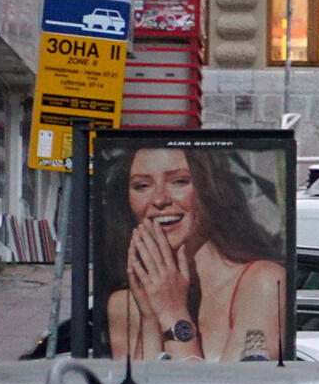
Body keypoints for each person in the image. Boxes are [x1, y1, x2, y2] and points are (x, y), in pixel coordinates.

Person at [103, 145, 286, 361]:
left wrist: (173, 315)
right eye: (142, 186)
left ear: (211, 188)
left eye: (179, 181)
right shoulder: (124, 305)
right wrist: (151, 318)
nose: (159, 200)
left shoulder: (263, 283)